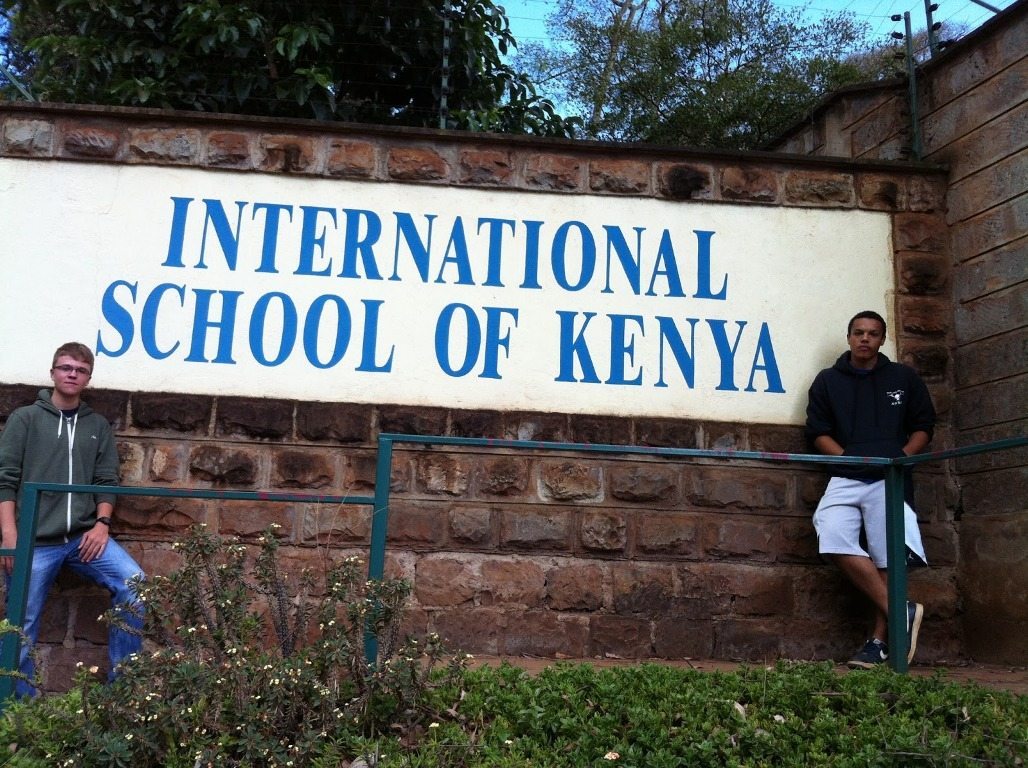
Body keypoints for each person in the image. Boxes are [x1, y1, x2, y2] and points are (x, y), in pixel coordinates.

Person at [0, 342, 143, 695]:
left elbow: (106, 481)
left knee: (136, 586)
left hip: (83, 537)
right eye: (65, 368)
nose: (71, 374)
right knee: (20, 623)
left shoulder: (96, 425)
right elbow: (5, 481)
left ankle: (122, 695)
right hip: (33, 540)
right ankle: (20, 714)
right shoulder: (25, 419)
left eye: (80, 370)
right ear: (52, 372)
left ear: (88, 378)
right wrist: (9, 538)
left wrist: (101, 524)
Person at [805, 311, 935, 669]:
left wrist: (899, 459)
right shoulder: (828, 380)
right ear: (849, 337)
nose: (865, 339)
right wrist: (846, 459)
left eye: (873, 334)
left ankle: (879, 643)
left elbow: (924, 425)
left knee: (887, 557)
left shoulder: (903, 378)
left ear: (882, 339)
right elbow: (817, 430)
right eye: (859, 333)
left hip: (889, 477)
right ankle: (901, 612)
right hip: (846, 476)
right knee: (830, 532)